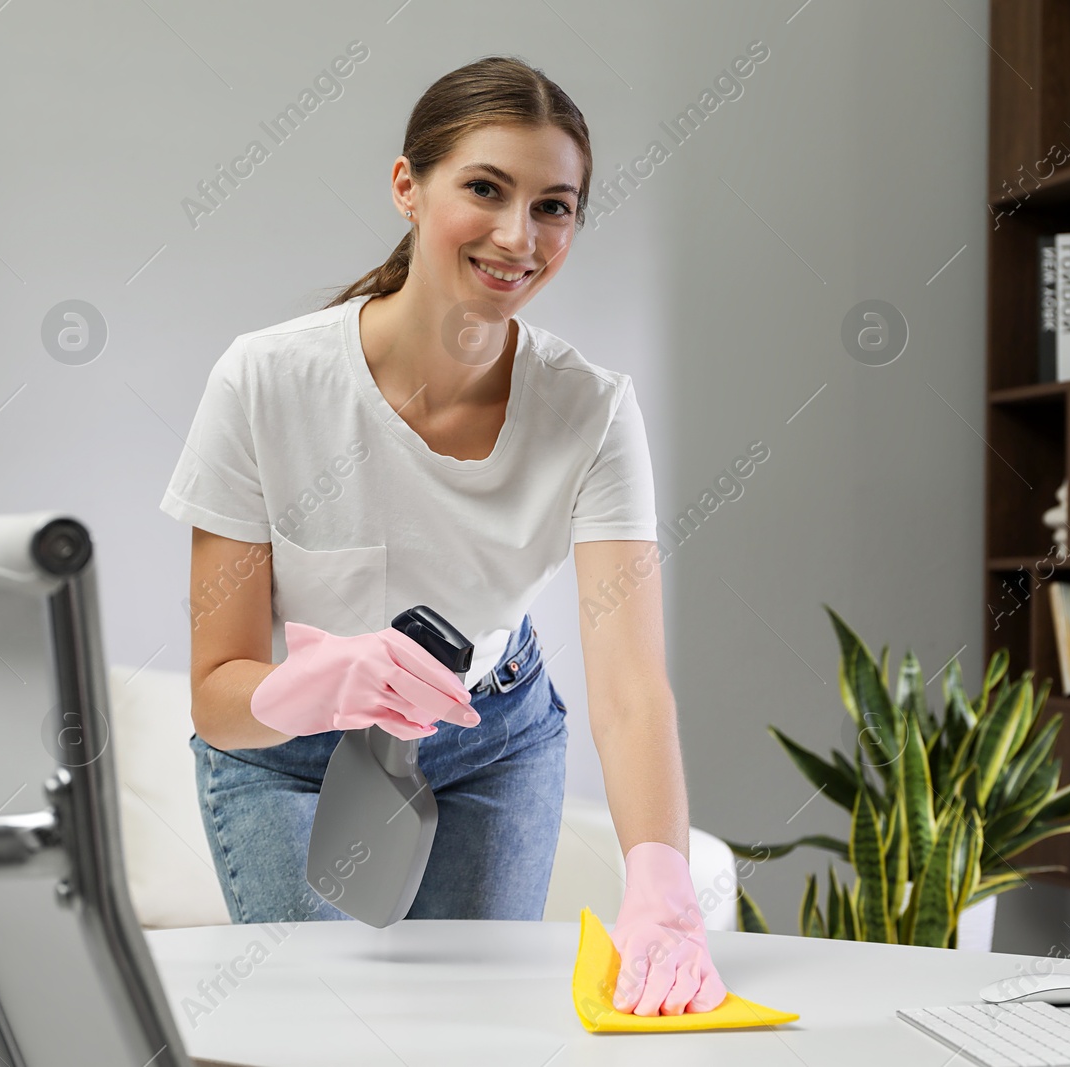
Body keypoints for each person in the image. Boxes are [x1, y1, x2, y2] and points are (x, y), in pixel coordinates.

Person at [159, 54, 726, 1017]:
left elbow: (631, 692)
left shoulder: (591, 413)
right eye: (485, 189)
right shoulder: (264, 383)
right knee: (320, 1024)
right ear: (407, 189)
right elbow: (220, 697)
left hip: (491, 735)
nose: (520, 235)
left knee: (473, 1030)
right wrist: (311, 684)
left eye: (556, 206)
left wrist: (662, 876)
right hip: (291, 749)